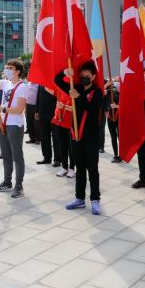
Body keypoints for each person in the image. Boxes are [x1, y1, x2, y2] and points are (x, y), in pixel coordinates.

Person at [55, 61, 104, 215]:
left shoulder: (97, 92)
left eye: (87, 76)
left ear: (93, 76)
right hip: (76, 135)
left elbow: (93, 109)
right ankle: (79, 198)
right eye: (82, 76)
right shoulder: (76, 88)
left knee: (92, 169)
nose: (84, 78)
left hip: (91, 136)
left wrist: (79, 98)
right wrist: (65, 72)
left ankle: (95, 199)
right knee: (79, 168)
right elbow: (56, 81)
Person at [0, 59, 28, 198]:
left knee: (17, 156)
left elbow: (20, 109)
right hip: (2, 124)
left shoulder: (22, 86)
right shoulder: (6, 83)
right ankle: (7, 182)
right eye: (6, 67)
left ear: (17, 71)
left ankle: (19, 185)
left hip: (14, 125)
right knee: (6, 155)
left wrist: (3, 109)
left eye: (10, 68)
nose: (7, 70)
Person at [36, 86, 61, 167]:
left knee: (56, 137)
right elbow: (38, 96)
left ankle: (57, 159)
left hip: (54, 113)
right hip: (42, 113)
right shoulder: (41, 82)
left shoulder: (55, 81)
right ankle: (47, 157)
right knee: (44, 136)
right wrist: (37, 111)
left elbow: (59, 96)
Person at [52, 93, 75, 178]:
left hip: (70, 124)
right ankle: (65, 167)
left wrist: (64, 106)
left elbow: (77, 109)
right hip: (59, 122)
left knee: (71, 147)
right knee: (62, 146)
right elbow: (49, 88)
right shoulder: (60, 92)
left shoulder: (74, 92)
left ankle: (72, 168)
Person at [107, 78, 121, 163]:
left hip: (120, 117)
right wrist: (107, 84)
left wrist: (117, 106)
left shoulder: (125, 92)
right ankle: (115, 154)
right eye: (116, 82)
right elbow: (101, 91)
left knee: (120, 136)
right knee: (113, 136)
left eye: (118, 82)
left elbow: (128, 105)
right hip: (110, 117)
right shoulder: (112, 91)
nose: (117, 83)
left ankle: (122, 154)